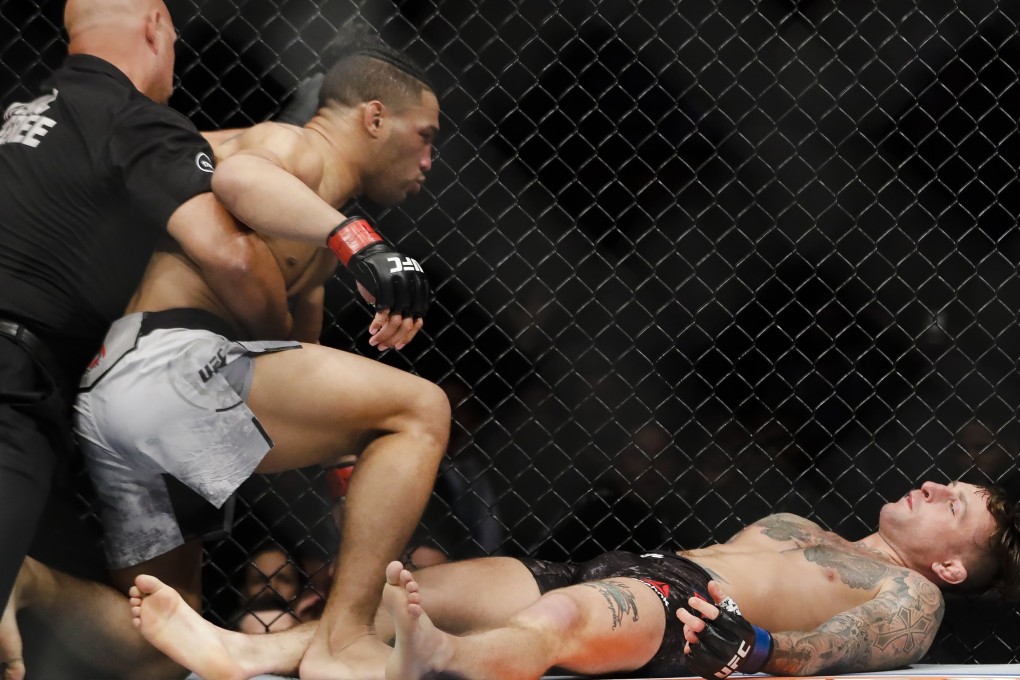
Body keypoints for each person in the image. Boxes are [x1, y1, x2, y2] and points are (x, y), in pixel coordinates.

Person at [71, 25, 449, 680]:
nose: (429, 162)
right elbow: (241, 175)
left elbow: (295, 369)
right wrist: (360, 242)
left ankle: (27, 591)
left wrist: (349, 494)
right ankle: (343, 639)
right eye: (425, 137)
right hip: (171, 365)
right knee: (423, 407)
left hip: (127, 395)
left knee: (156, 648)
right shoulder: (293, 145)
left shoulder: (311, 240)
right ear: (375, 117)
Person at [0, 0, 294, 642]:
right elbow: (232, 256)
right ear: (156, 26)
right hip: (12, 386)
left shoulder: (20, 120)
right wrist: (286, 345)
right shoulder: (131, 118)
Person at [126, 480, 1019, 680]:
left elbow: (835, 650)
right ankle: (241, 652)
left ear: (949, 562)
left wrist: (752, 645)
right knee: (394, 591)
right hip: (621, 567)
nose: (937, 485)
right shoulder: (806, 525)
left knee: (553, 618)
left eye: (958, 505)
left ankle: (440, 661)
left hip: (685, 609)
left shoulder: (915, 595)